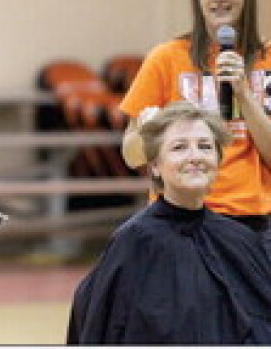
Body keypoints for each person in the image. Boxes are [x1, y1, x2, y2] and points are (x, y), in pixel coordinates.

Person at [67, 101, 271, 344]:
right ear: (155, 166)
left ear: (218, 160)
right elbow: (99, 326)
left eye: (205, 146)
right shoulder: (134, 241)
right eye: (179, 147)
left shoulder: (241, 240)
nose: (195, 157)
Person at [119, 0, 271, 253]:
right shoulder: (166, 58)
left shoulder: (268, 60)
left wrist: (243, 93)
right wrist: (148, 135)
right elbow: (131, 155)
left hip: (253, 223)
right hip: (181, 223)